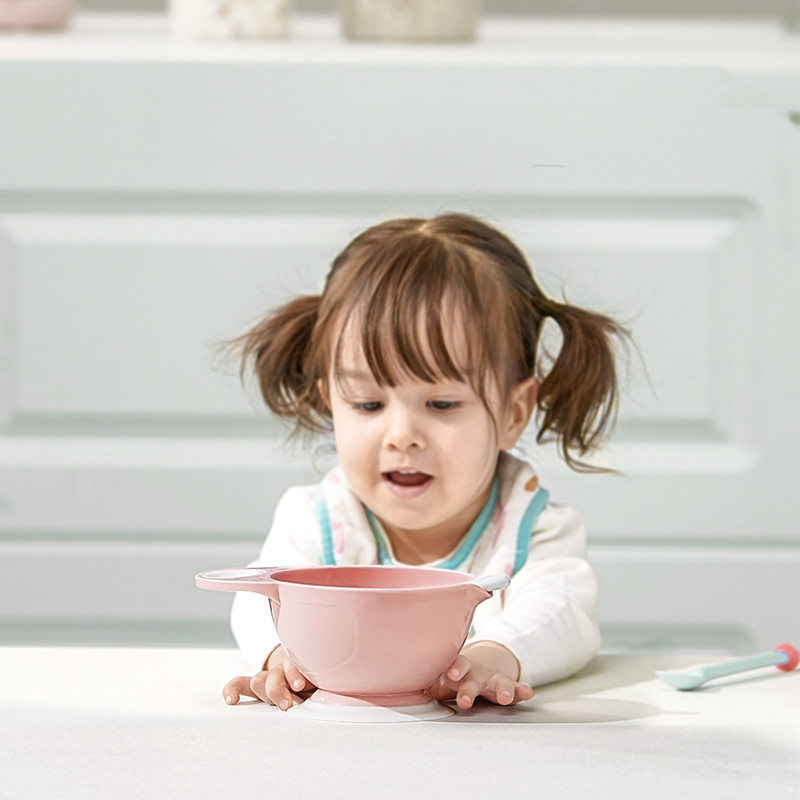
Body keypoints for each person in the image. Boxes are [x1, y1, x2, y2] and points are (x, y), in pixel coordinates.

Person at [221, 213, 628, 712]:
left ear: (513, 412)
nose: (401, 436)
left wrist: (494, 655)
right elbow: (261, 600)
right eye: (368, 404)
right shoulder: (319, 520)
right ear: (332, 402)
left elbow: (563, 612)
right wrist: (281, 654)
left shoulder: (532, 528)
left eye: (442, 405)